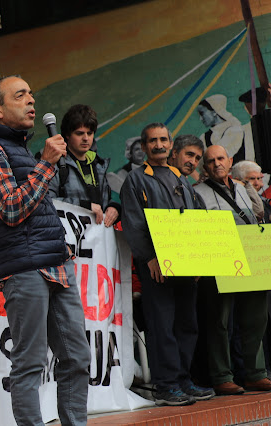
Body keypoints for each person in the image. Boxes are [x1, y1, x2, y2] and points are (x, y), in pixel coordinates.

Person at [0, 75, 89, 425]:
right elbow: (10, 209)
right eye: (21, 96)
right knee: (30, 364)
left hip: (56, 265)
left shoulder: (20, 150)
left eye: (31, 94)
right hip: (24, 270)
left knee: (77, 359)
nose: (31, 101)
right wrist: (46, 164)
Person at [120, 123, 211, 406]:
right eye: (152, 141)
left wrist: (199, 261)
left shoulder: (180, 178)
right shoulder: (135, 180)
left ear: (170, 144)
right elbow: (133, 223)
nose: (159, 145)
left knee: (187, 324)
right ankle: (166, 385)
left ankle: (183, 380)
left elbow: (196, 220)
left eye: (163, 140)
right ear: (145, 147)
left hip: (186, 263)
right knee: (163, 326)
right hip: (156, 267)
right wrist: (150, 258)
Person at [193, 145, 271, 395]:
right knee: (219, 320)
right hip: (220, 256)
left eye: (220, 159)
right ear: (205, 168)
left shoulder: (241, 187)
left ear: (230, 160)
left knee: (255, 318)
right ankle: (221, 376)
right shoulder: (196, 192)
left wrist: (249, 188)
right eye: (211, 161)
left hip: (250, 254)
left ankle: (255, 373)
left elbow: (258, 215)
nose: (216, 164)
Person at [48, 104, 120, 227]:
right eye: (80, 133)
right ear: (67, 135)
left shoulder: (98, 165)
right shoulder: (56, 164)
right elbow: (47, 202)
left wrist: (114, 208)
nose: (86, 138)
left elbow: (105, 200)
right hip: (68, 241)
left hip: (97, 241)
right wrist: (84, 207)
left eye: (90, 133)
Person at [197, 94, 250, 163]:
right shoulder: (204, 137)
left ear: (214, 112)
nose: (201, 118)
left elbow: (220, 156)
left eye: (202, 113)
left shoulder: (235, 130)